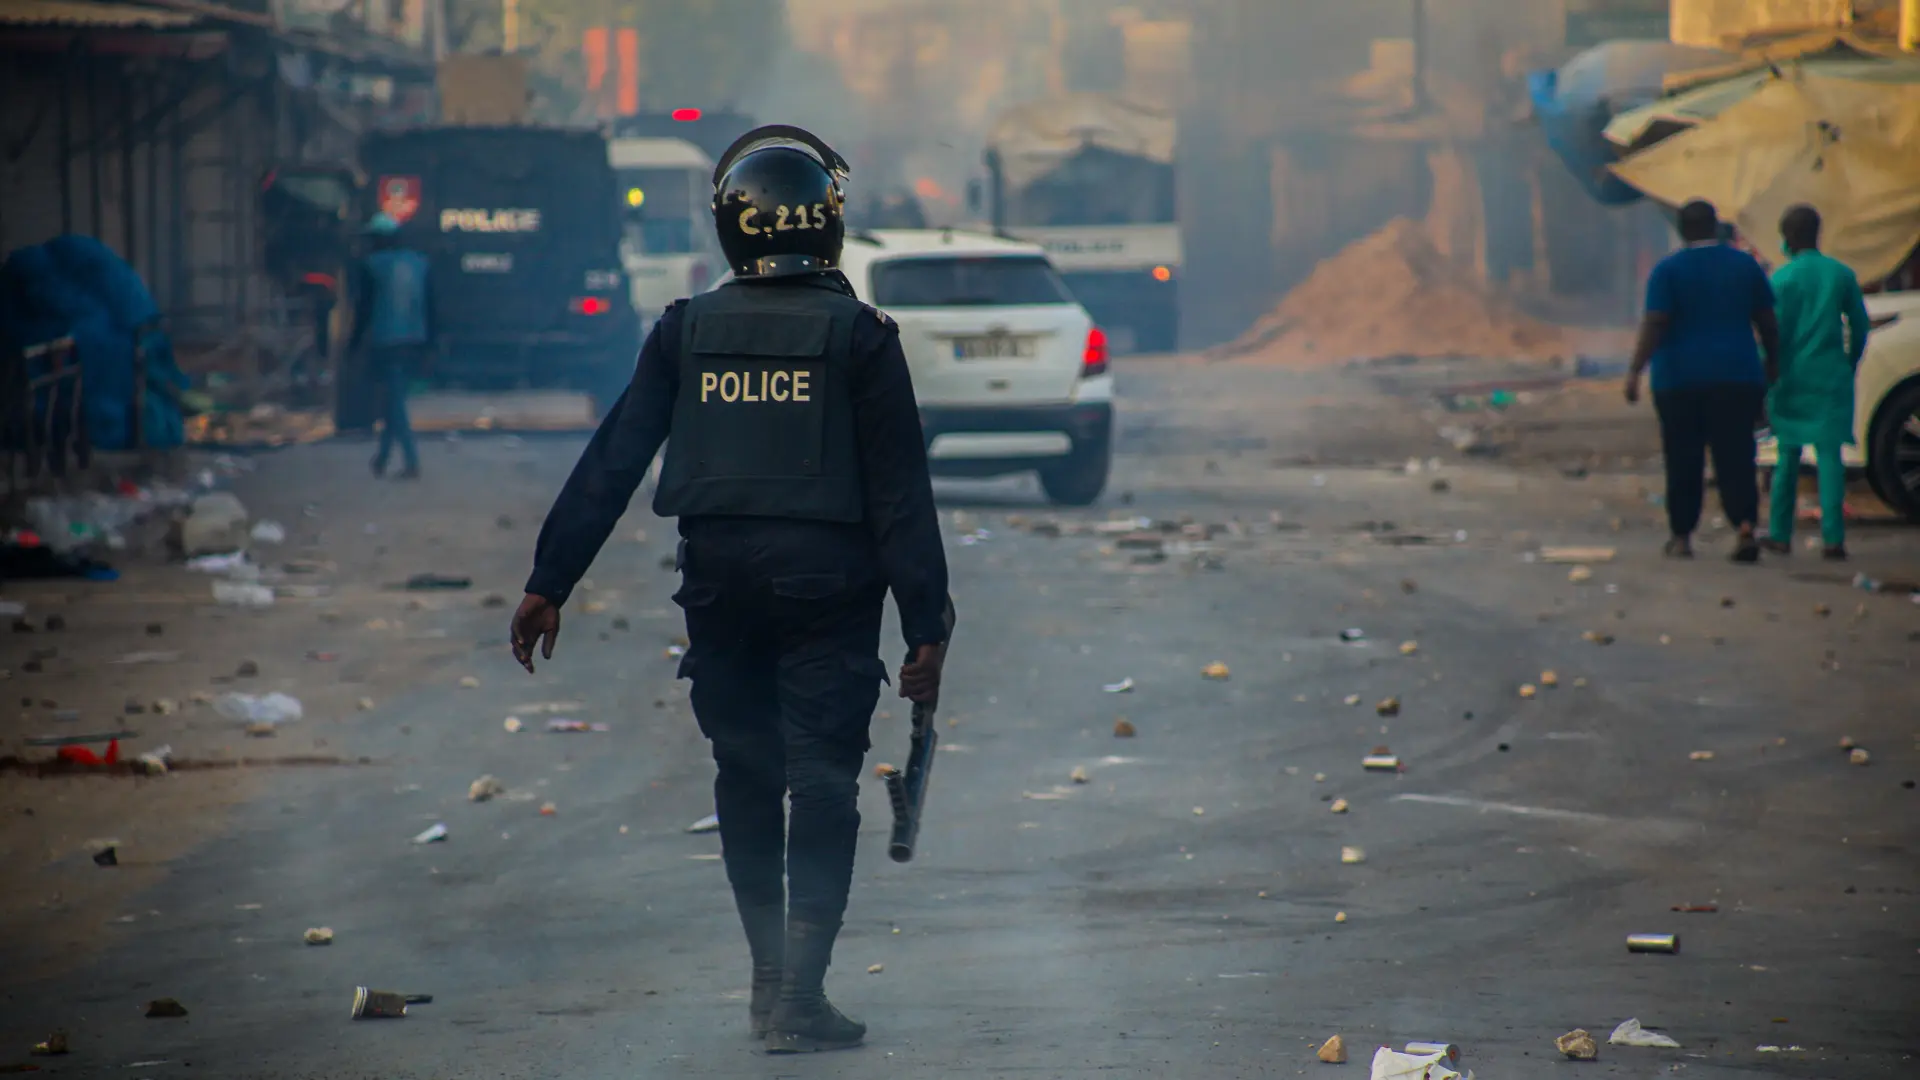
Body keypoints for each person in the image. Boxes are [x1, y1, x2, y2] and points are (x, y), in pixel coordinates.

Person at [509, 125, 951, 1055]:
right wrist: (927, 624)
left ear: (729, 226)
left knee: (747, 775)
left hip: (718, 588)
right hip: (830, 590)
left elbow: (615, 458)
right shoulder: (863, 338)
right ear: (828, 224)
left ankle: (768, 984)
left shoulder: (684, 329)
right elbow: (900, 495)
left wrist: (551, 580)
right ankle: (800, 996)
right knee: (822, 783)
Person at [1624, 200, 1779, 562]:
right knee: (1737, 454)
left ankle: (1681, 537)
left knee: (1683, 457)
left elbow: (1655, 322)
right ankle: (1745, 528)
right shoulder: (1745, 266)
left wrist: (1635, 371)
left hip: (1679, 380)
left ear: (1681, 230)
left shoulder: (1667, 270)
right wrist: (1773, 364)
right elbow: (1767, 321)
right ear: (1716, 226)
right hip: (1737, 376)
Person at [1761, 205, 1871, 560]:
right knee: (1829, 458)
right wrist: (1849, 362)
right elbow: (1860, 326)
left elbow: (1771, 334)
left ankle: (1780, 535)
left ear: (1788, 238)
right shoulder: (1841, 274)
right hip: (1830, 377)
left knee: (1787, 457)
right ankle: (1833, 539)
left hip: (1791, 378)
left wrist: (1769, 373)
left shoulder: (1781, 280)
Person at [349, 212, 431, 479]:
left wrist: (353, 344)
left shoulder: (372, 266)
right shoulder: (419, 263)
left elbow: (364, 309)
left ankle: (411, 460)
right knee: (393, 399)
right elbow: (431, 305)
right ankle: (382, 458)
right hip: (414, 339)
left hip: (386, 340)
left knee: (394, 403)